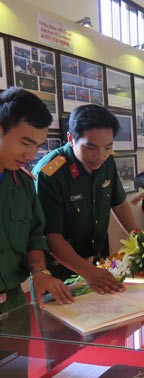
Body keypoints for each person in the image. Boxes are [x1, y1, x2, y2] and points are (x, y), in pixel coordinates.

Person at [33, 104, 137, 294]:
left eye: (108, 147)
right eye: (91, 148)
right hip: (61, 272)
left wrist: (140, 240)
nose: (100, 156)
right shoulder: (50, 173)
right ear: (71, 139)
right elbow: (51, 236)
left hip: (99, 260)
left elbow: (119, 204)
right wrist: (88, 272)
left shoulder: (107, 162)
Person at [0, 87, 73, 313]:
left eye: (37, 146)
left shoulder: (22, 184)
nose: (31, 155)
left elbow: (34, 236)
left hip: (12, 304)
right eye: (25, 143)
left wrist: (40, 272)